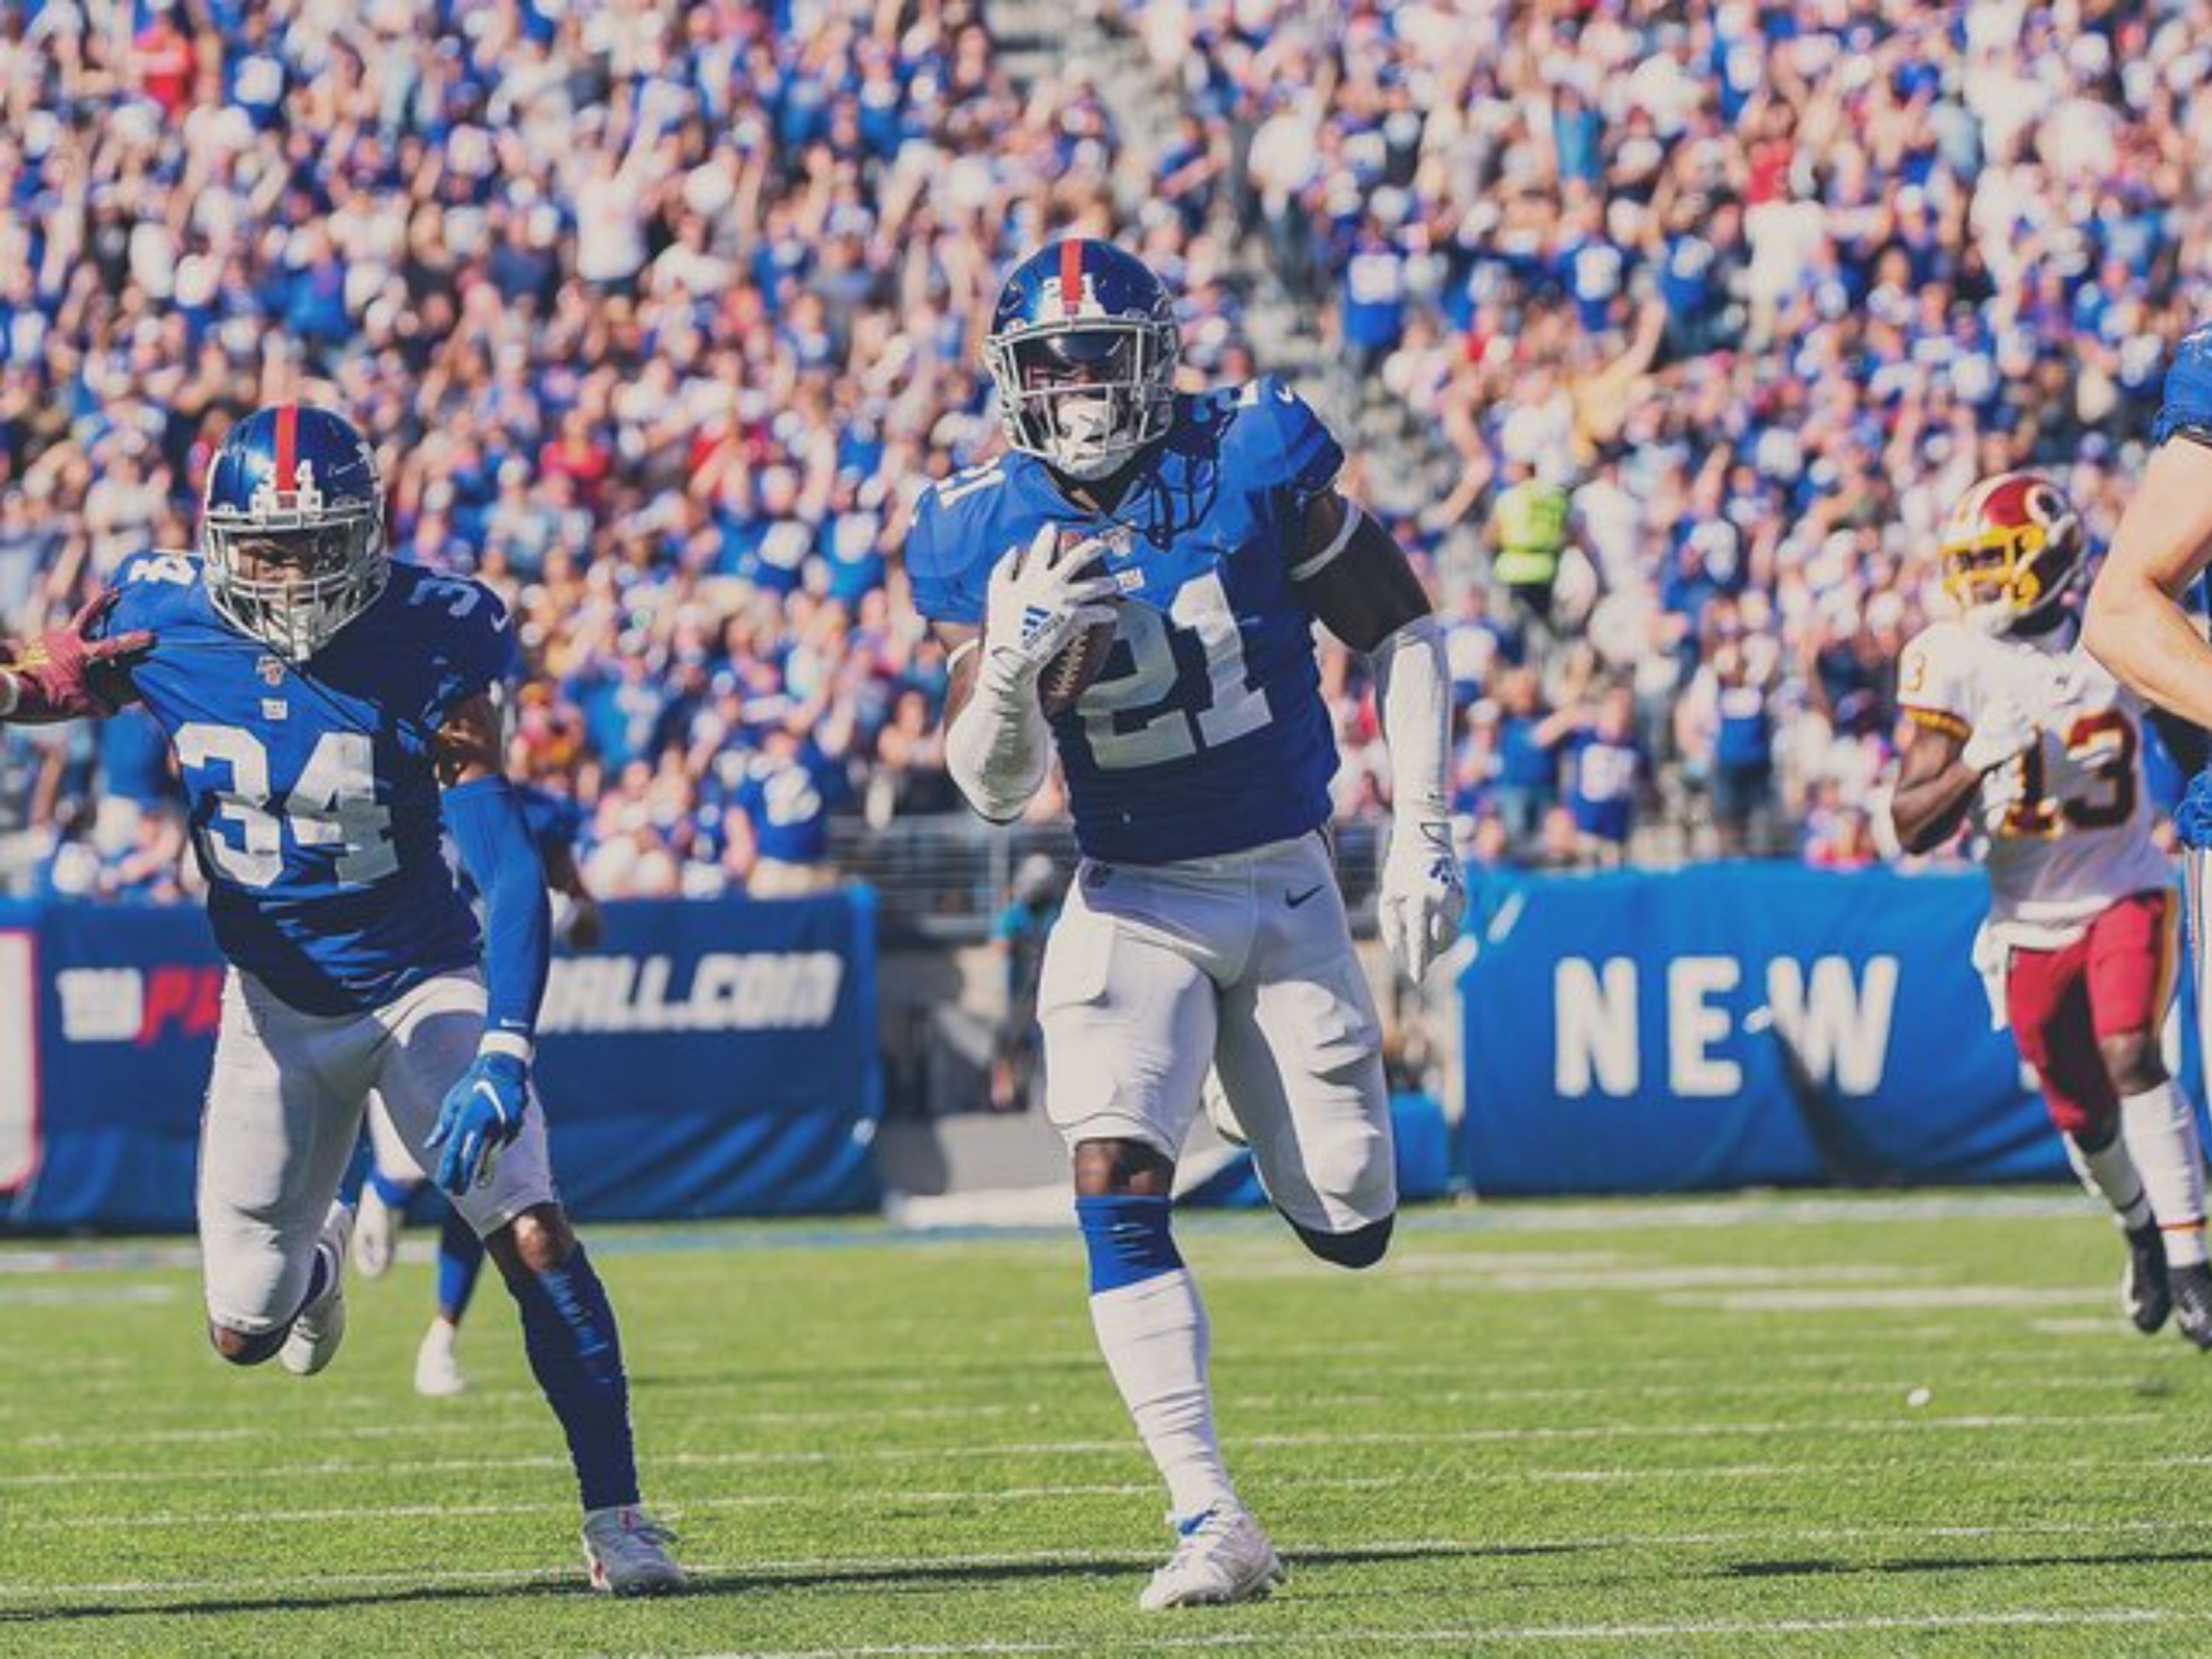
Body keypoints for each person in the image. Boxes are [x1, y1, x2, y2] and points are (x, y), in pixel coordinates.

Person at [0, 404, 683, 1593]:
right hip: (273, 1006)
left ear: (364, 535)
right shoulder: (162, 611)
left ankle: (619, 1518)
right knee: (244, 1331)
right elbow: (47, 688)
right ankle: (314, 1266)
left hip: (423, 980)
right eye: (264, 545)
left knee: (530, 1220)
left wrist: (508, 1046)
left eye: (316, 542)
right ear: (221, 541)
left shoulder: (433, 632)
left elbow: (509, 862)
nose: (289, 571)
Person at [907, 240, 1464, 1610]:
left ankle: (1235, 1083)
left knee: (1352, 1221)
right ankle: (1210, 1513)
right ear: (1013, 381)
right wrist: (1014, 667)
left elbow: (1405, 628)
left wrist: (1425, 822)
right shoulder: (982, 526)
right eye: (1055, 364)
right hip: (1131, 890)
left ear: (1155, 357)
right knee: (1109, 1171)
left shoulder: (1254, 453)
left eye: (1103, 356)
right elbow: (990, 791)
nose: (1082, 386)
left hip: (1284, 882)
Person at [1893, 471, 2208, 1347]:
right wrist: (1971, 767)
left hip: (2125, 887)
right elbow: (1909, 823)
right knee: (2077, 1106)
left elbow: (2194, 729)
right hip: (2026, 915)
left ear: (2051, 557)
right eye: (1973, 565)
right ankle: (2142, 1229)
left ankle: (2192, 1264)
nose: (1983, 583)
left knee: (2130, 1050)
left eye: (1998, 562)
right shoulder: (1951, 659)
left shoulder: (2115, 635)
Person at [353, 781, 605, 1399]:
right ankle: (382, 1193)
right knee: (411, 1172)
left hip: (491, 1021)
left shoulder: (536, 811)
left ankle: (441, 1338)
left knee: (486, 1180)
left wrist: (562, 907)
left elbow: (585, 921)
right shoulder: (383, 778)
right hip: (414, 1006)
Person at [989, 853, 1062, 1113]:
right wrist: (1016, 942)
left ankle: (1044, 1091)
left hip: (1051, 985)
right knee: (1008, 1036)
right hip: (1022, 987)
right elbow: (999, 942)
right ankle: (1004, 1086)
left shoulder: (1055, 910)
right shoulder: (1018, 912)